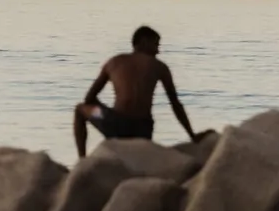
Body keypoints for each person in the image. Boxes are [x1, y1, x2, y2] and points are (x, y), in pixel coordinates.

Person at [73, 25, 198, 157]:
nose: (158, 51)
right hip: (143, 130)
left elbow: (89, 98)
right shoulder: (159, 66)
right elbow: (175, 104)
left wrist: (104, 111)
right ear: (144, 42)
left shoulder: (114, 62)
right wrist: (192, 135)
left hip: (115, 125)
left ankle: (82, 160)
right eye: (156, 45)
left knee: (80, 109)